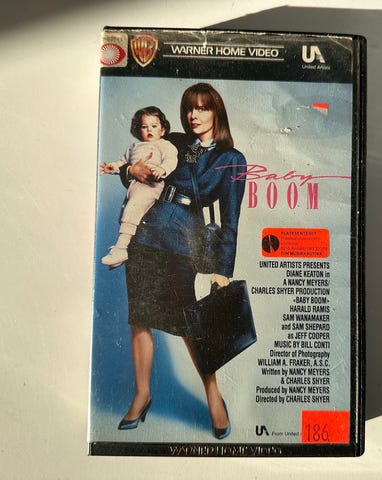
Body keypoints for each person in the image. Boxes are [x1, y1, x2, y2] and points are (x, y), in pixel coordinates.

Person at [116, 83, 246, 440]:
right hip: (146, 232)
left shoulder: (231, 159)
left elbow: (231, 220)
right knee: (139, 317)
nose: (193, 115)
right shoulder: (171, 140)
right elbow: (132, 167)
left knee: (189, 321)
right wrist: (131, 172)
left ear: (216, 111)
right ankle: (142, 395)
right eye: (189, 108)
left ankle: (213, 395)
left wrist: (223, 270)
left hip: (184, 241)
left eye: (202, 108)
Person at [99, 106, 178, 267]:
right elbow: (123, 163)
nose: (149, 130)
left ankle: (121, 249)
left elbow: (171, 160)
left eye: (154, 126)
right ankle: (122, 251)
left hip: (151, 184)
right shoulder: (134, 147)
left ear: (163, 130)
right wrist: (112, 167)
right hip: (135, 185)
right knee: (129, 212)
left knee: (132, 210)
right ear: (138, 130)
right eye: (144, 126)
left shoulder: (164, 145)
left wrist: (162, 169)